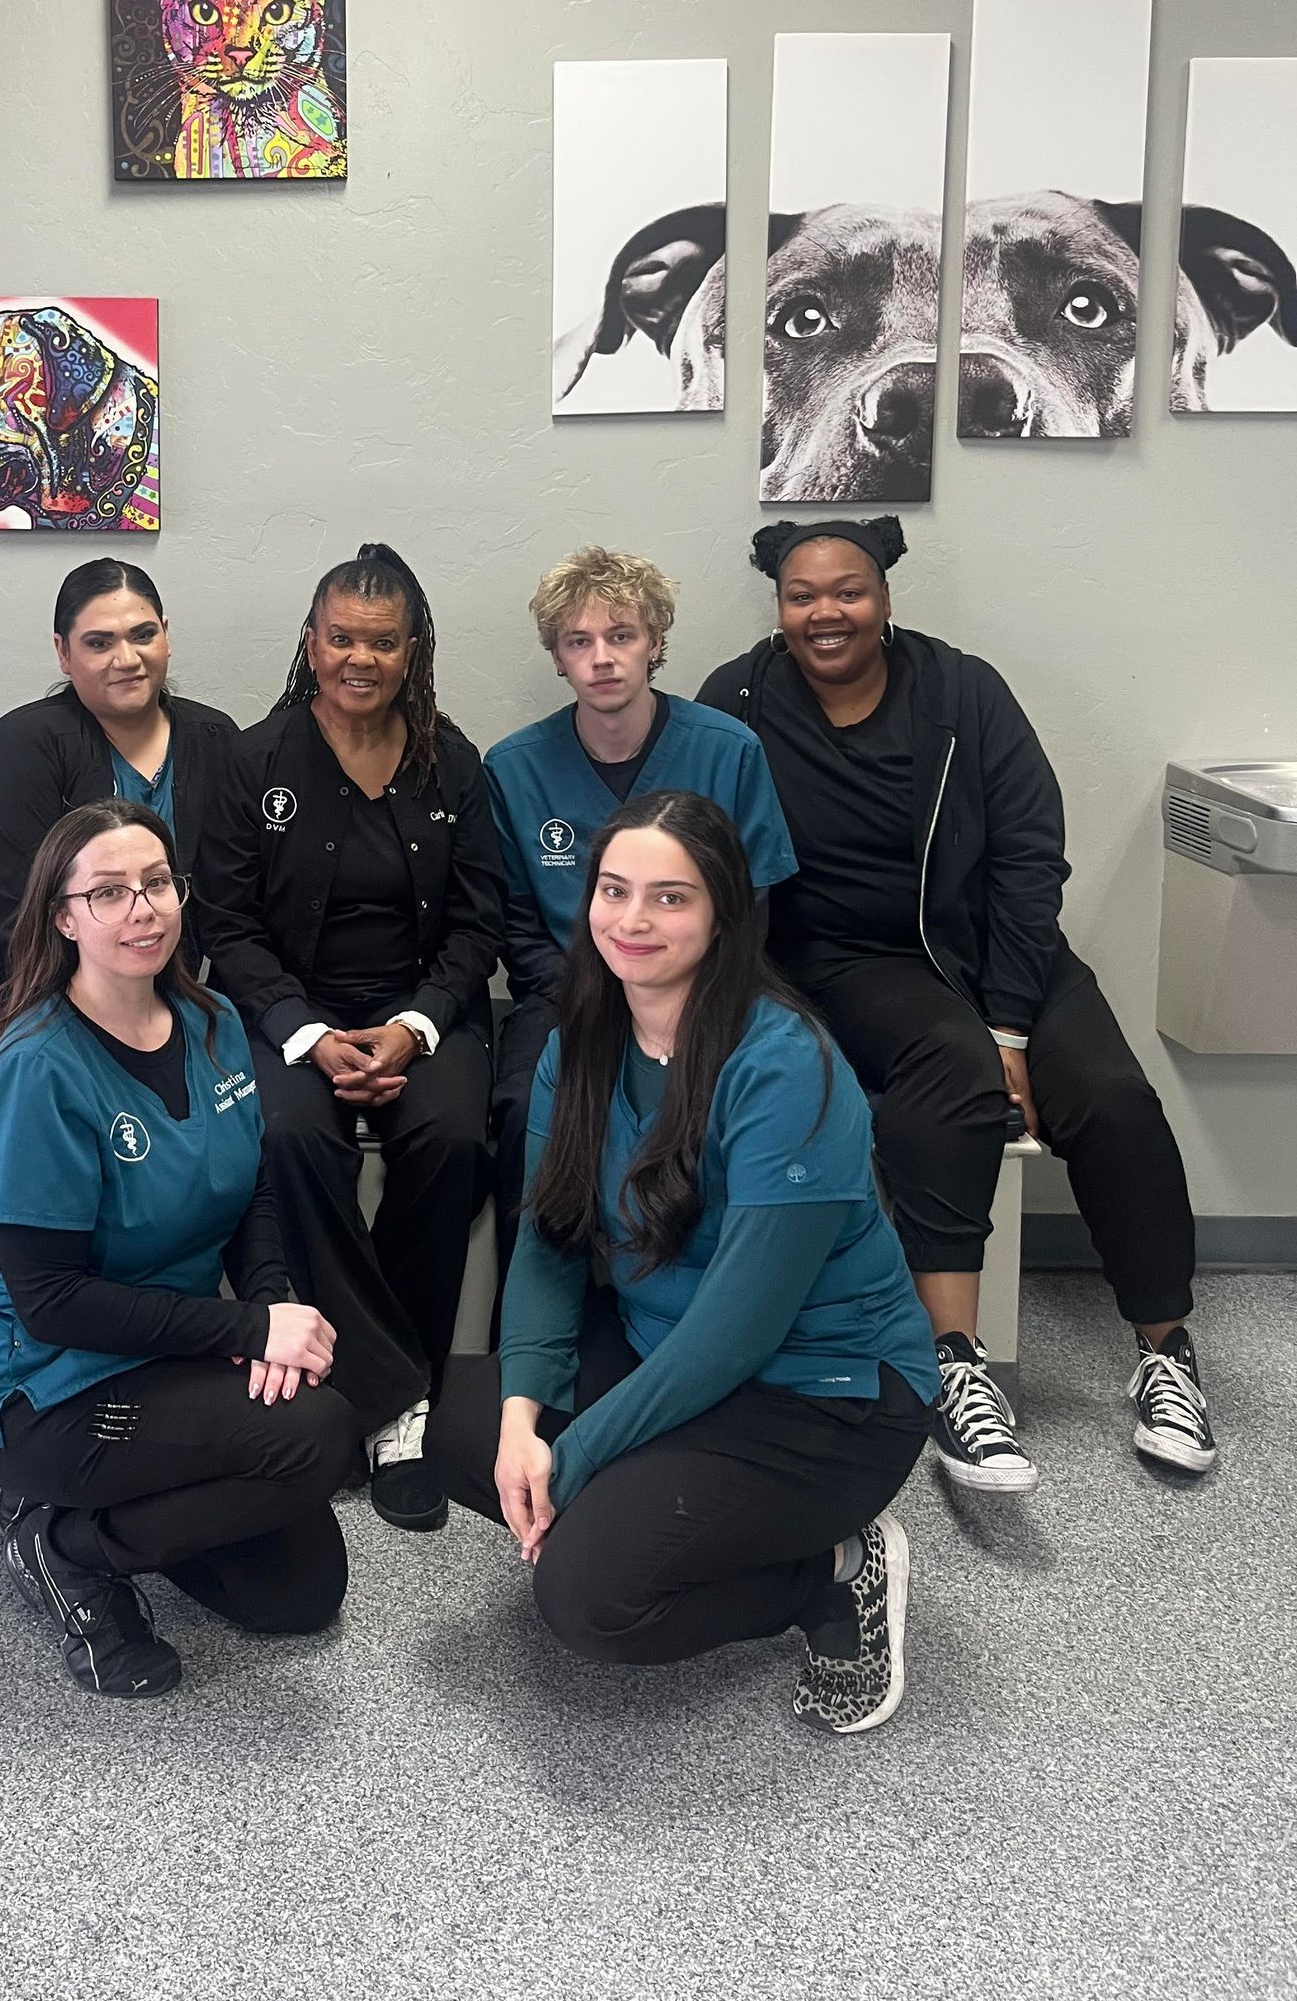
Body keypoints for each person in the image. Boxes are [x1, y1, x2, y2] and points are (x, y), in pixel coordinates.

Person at [697, 517, 1216, 1492]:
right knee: (955, 1070)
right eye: (803, 594)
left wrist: (1015, 1018)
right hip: (856, 961)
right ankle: (956, 1365)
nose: (825, 613)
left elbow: (1030, 853)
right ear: (779, 606)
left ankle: (1167, 1349)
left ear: (886, 596)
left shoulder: (962, 693)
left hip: (1001, 950)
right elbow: (702, 849)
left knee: (1112, 1097)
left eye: (846, 590)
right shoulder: (740, 698)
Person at [428, 792, 937, 1735]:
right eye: (614, 891)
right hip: (671, 1350)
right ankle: (649, 1503)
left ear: (723, 914)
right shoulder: (581, 1042)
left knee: (588, 1601)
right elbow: (546, 1241)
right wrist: (522, 1421)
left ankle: (829, 1571)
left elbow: (735, 1333)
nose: (632, 920)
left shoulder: (786, 1068)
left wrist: (574, 1457)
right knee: (466, 1430)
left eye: (671, 898)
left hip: (823, 1395)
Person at [0, 798, 356, 1701]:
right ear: (63, 917)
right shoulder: (37, 1067)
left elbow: (249, 1195)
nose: (144, 908)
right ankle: (59, 1545)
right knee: (318, 1437)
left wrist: (269, 1316)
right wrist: (244, 1326)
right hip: (44, 1382)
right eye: (110, 892)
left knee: (301, 1594)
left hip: (161, 1350)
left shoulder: (211, 1025)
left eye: (159, 883)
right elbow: (51, 1299)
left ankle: (102, 1509)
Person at [0, 561, 237, 1459]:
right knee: (33, 1103)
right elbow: (15, 918)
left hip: (133, 990)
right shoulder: (26, 743)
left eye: (143, 633)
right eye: (99, 641)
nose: (127, 657)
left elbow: (222, 895)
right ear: (62, 654)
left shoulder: (215, 739)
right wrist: (81, 1048)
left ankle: (107, 1348)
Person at [192, 543, 505, 1533]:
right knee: (288, 1140)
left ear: (414, 651)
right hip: (288, 1013)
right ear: (309, 640)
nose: (358, 658)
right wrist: (308, 1032)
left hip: (424, 1010)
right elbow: (226, 927)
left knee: (452, 1138)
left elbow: (478, 924)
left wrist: (413, 1030)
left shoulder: (455, 762)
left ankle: (380, 1387)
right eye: (341, 637)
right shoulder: (253, 760)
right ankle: (398, 1398)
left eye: (382, 640)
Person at [484, 545, 796, 1300]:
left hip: (706, 995)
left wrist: (684, 1003)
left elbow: (753, 908)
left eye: (621, 636)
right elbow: (514, 924)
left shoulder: (728, 750)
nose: (602, 659)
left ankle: (703, 1306)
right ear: (556, 657)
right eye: (579, 641)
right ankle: (533, 1322)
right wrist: (596, 997)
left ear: (655, 642)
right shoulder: (515, 766)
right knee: (526, 1103)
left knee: (722, 1095)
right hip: (567, 994)